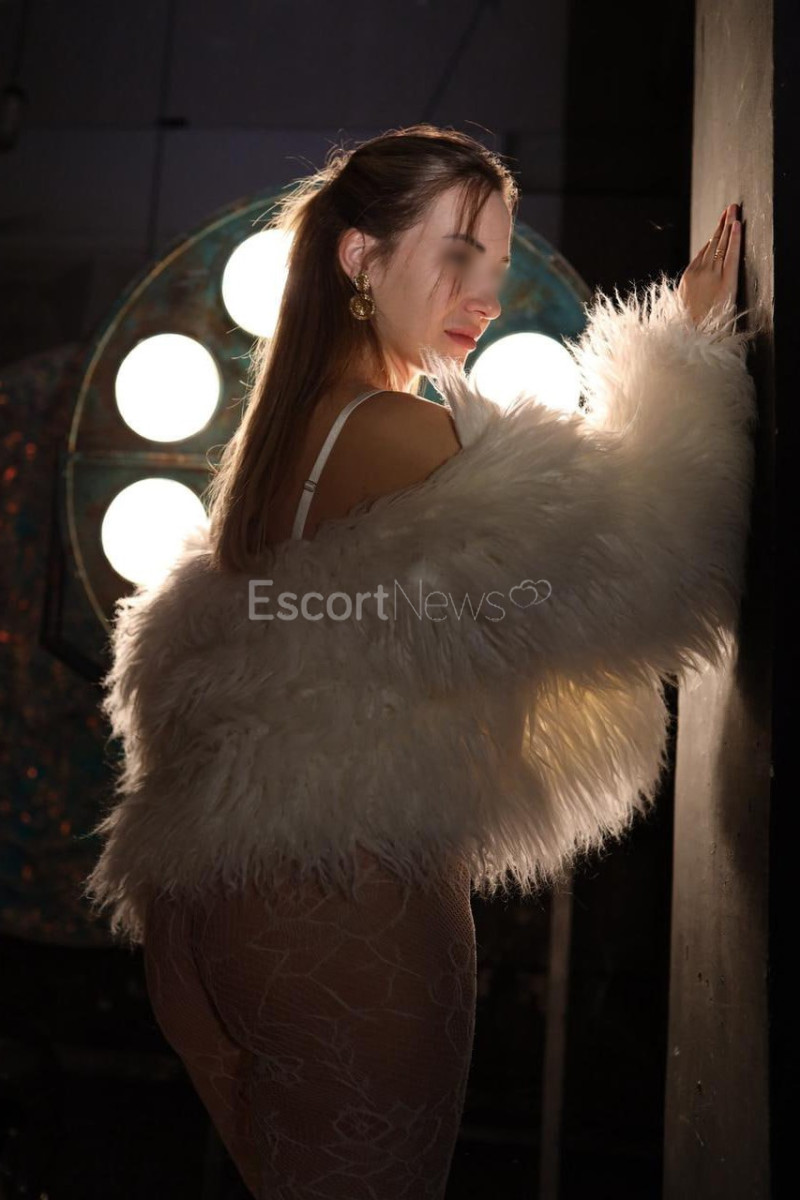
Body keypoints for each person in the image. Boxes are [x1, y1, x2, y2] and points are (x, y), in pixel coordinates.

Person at [82, 124, 756, 1199]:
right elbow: (635, 575)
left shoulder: (273, 454)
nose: (485, 294)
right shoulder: (395, 430)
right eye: (458, 253)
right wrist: (676, 355)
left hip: (201, 929)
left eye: (496, 262)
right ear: (360, 257)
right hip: (342, 912)